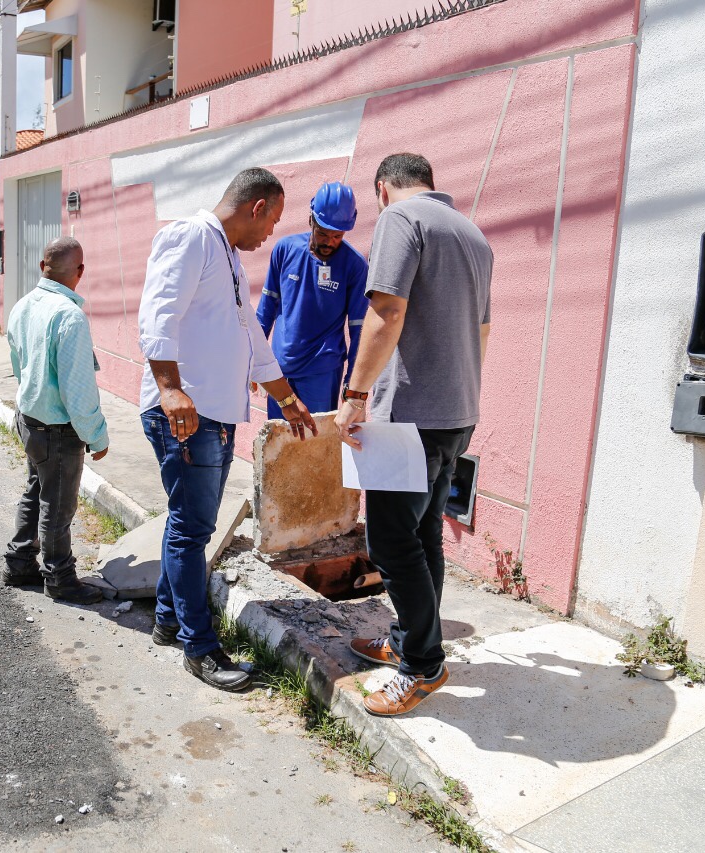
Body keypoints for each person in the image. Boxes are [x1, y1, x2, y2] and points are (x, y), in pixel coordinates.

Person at [139, 167, 318, 692]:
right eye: (273, 221)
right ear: (256, 207)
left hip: (213, 416)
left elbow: (253, 339)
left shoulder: (228, 256)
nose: (270, 235)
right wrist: (171, 389)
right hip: (185, 413)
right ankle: (200, 648)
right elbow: (158, 315)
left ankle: (169, 621)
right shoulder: (191, 236)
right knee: (191, 529)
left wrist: (287, 399)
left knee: (191, 526)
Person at [335, 153, 492, 717]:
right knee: (424, 533)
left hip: (412, 416)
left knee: (391, 543)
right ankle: (409, 640)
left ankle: (422, 665)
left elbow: (387, 311)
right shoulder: (473, 234)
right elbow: (484, 329)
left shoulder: (401, 221)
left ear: (383, 188)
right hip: (456, 411)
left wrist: (355, 397)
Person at [3, 237, 110, 605]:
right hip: (58, 429)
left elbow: (19, 365)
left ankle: (18, 563)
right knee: (58, 504)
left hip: (29, 419)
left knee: (36, 490)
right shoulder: (69, 316)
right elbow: (78, 391)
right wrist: (97, 435)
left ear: (41, 266)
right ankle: (59, 578)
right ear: (80, 272)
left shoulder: (22, 306)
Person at [257, 181, 369, 416]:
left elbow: (359, 330)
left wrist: (352, 385)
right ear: (311, 220)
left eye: (337, 236)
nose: (329, 242)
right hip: (279, 370)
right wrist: (254, 361)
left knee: (313, 445)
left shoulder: (355, 266)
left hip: (322, 372)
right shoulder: (285, 249)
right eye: (323, 233)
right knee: (278, 444)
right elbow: (266, 310)